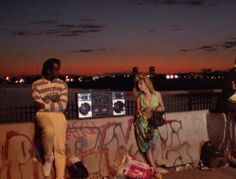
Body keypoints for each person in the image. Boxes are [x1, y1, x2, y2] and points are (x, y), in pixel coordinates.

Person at [32, 58, 68, 179]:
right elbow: (38, 105)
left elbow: (63, 105)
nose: (58, 73)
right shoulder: (36, 85)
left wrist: (45, 105)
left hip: (59, 116)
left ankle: (60, 176)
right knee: (49, 131)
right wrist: (52, 106)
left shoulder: (62, 84)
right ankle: (48, 157)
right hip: (43, 115)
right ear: (48, 71)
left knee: (60, 149)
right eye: (56, 70)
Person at [133, 73, 167, 177]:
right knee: (147, 148)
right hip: (143, 125)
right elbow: (137, 113)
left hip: (153, 123)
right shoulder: (140, 98)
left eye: (141, 83)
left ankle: (153, 166)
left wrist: (156, 109)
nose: (139, 86)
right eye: (138, 85)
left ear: (147, 84)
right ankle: (155, 169)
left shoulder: (157, 94)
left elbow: (163, 107)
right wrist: (142, 111)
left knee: (154, 145)